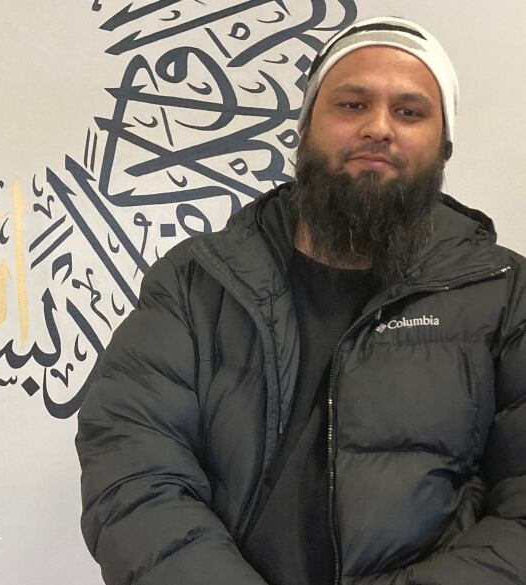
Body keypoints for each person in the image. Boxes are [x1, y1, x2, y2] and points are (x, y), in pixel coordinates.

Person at [75, 16, 526, 585]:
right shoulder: (194, 284)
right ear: (306, 127)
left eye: (410, 112)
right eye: (352, 105)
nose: (379, 129)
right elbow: (132, 472)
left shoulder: (506, 294)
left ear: (444, 145)